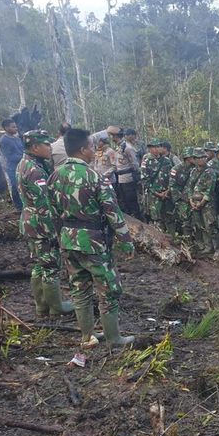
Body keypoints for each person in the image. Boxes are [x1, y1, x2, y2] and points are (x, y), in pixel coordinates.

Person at [48, 128, 135, 348]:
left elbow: (52, 212)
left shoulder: (55, 175)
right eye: (90, 147)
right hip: (93, 242)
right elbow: (113, 213)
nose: (93, 150)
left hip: (68, 240)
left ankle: (87, 337)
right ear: (83, 149)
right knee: (109, 289)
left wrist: (61, 238)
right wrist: (126, 241)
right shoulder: (94, 177)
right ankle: (114, 338)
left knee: (79, 288)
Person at [16, 130, 74, 317]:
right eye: (46, 145)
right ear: (35, 147)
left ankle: (43, 306)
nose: (50, 148)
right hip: (41, 223)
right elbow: (44, 203)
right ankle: (56, 307)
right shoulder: (34, 170)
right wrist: (57, 228)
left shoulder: (26, 163)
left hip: (31, 221)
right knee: (51, 265)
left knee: (40, 264)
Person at [190, 147, 219, 257]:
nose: (199, 160)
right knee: (200, 225)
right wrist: (191, 201)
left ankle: (217, 249)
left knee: (211, 226)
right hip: (195, 202)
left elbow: (210, 190)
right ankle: (207, 247)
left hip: (207, 204)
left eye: (202, 158)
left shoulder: (210, 172)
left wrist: (201, 203)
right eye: (197, 158)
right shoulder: (193, 171)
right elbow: (190, 187)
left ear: (205, 158)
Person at [110, 128, 141, 219]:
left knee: (132, 203)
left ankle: (139, 221)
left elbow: (135, 165)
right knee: (124, 203)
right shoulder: (118, 147)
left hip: (128, 179)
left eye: (113, 136)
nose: (112, 138)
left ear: (117, 136)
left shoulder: (127, 148)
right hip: (120, 179)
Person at [146, 141, 175, 232]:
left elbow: (172, 178)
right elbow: (145, 181)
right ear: (150, 149)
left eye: (157, 147)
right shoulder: (146, 162)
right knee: (157, 220)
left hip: (167, 194)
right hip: (154, 196)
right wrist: (157, 193)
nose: (155, 149)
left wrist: (167, 191)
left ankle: (173, 239)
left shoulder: (166, 161)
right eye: (152, 147)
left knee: (170, 218)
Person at [169, 147, 195, 242]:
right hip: (181, 200)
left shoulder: (195, 169)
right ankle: (187, 242)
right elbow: (172, 186)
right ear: (187, 158)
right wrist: (182, 198)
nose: (195, 159)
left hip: (192, 199)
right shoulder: (176, 169)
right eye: (193, 157)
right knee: (185, 221)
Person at [0, 118, 24, 209]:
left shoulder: (17, 138)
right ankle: (19, 207)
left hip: (22, 165)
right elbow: (9, 156)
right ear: (6, 128)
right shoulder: (4, 140)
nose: (16, 128)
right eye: (13, 127)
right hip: (12, 168)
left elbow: (22, 149)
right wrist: (23, 157)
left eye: (16, 126)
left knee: (23, 186)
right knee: (15, 187)